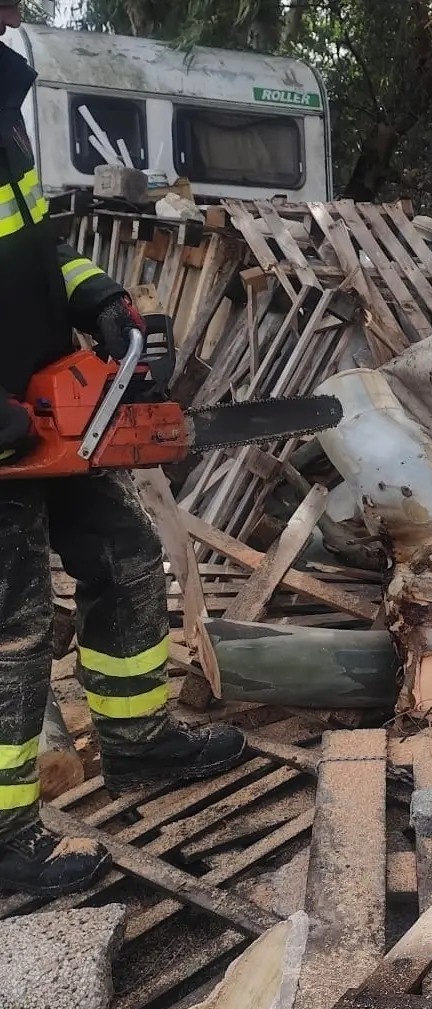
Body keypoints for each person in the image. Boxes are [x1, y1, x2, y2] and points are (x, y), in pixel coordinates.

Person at [0, 2, 247, 896]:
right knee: (13, 630)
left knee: (129, 559)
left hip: (40, 402)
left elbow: (31, 243)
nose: (16, 12)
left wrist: (96, 295)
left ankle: (139, 743)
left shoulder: (3, 94)